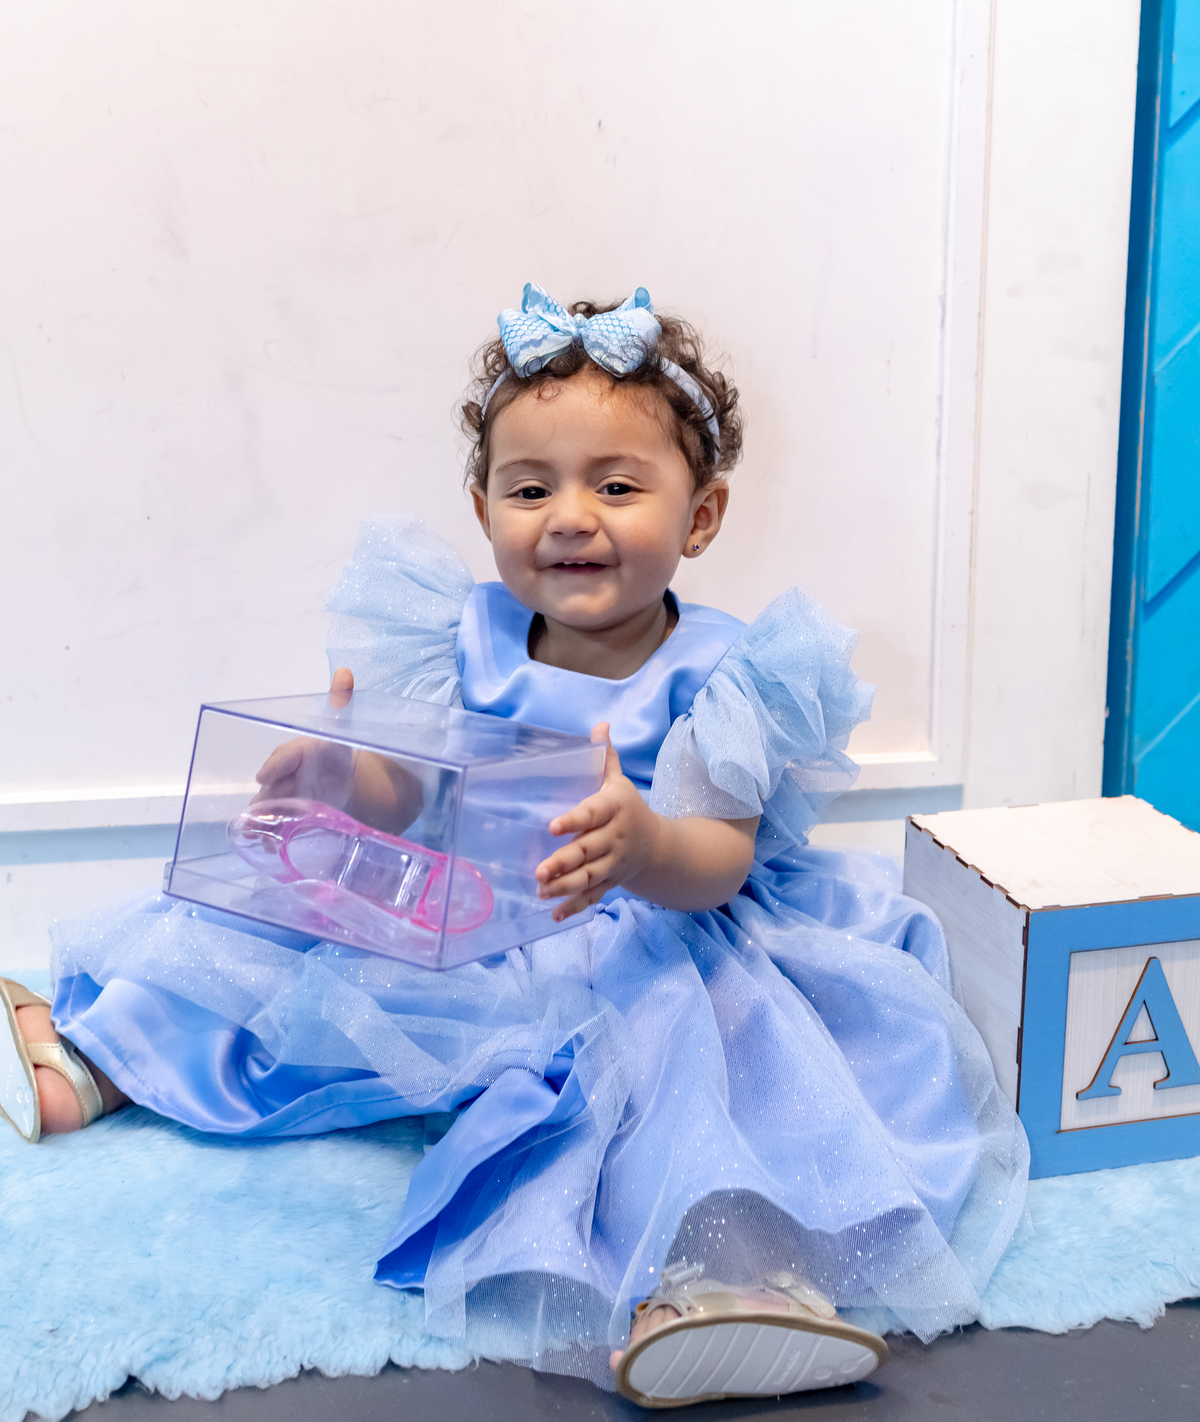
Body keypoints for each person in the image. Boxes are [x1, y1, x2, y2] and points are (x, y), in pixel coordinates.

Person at [0, 284, 1029, 1407]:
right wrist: (348, 778)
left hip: (651, 923)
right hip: (474, 899)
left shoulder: (728, 671)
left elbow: (719, 858)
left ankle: (711, 1282)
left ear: (701, 517)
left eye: (617, 486)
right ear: (483, 507)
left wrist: (643, 844)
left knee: (682, 1069)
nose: (569, 517)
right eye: (530, 487)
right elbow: (418, 794)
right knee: (284, 921)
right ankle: (95, 1059)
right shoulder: (466, 636)